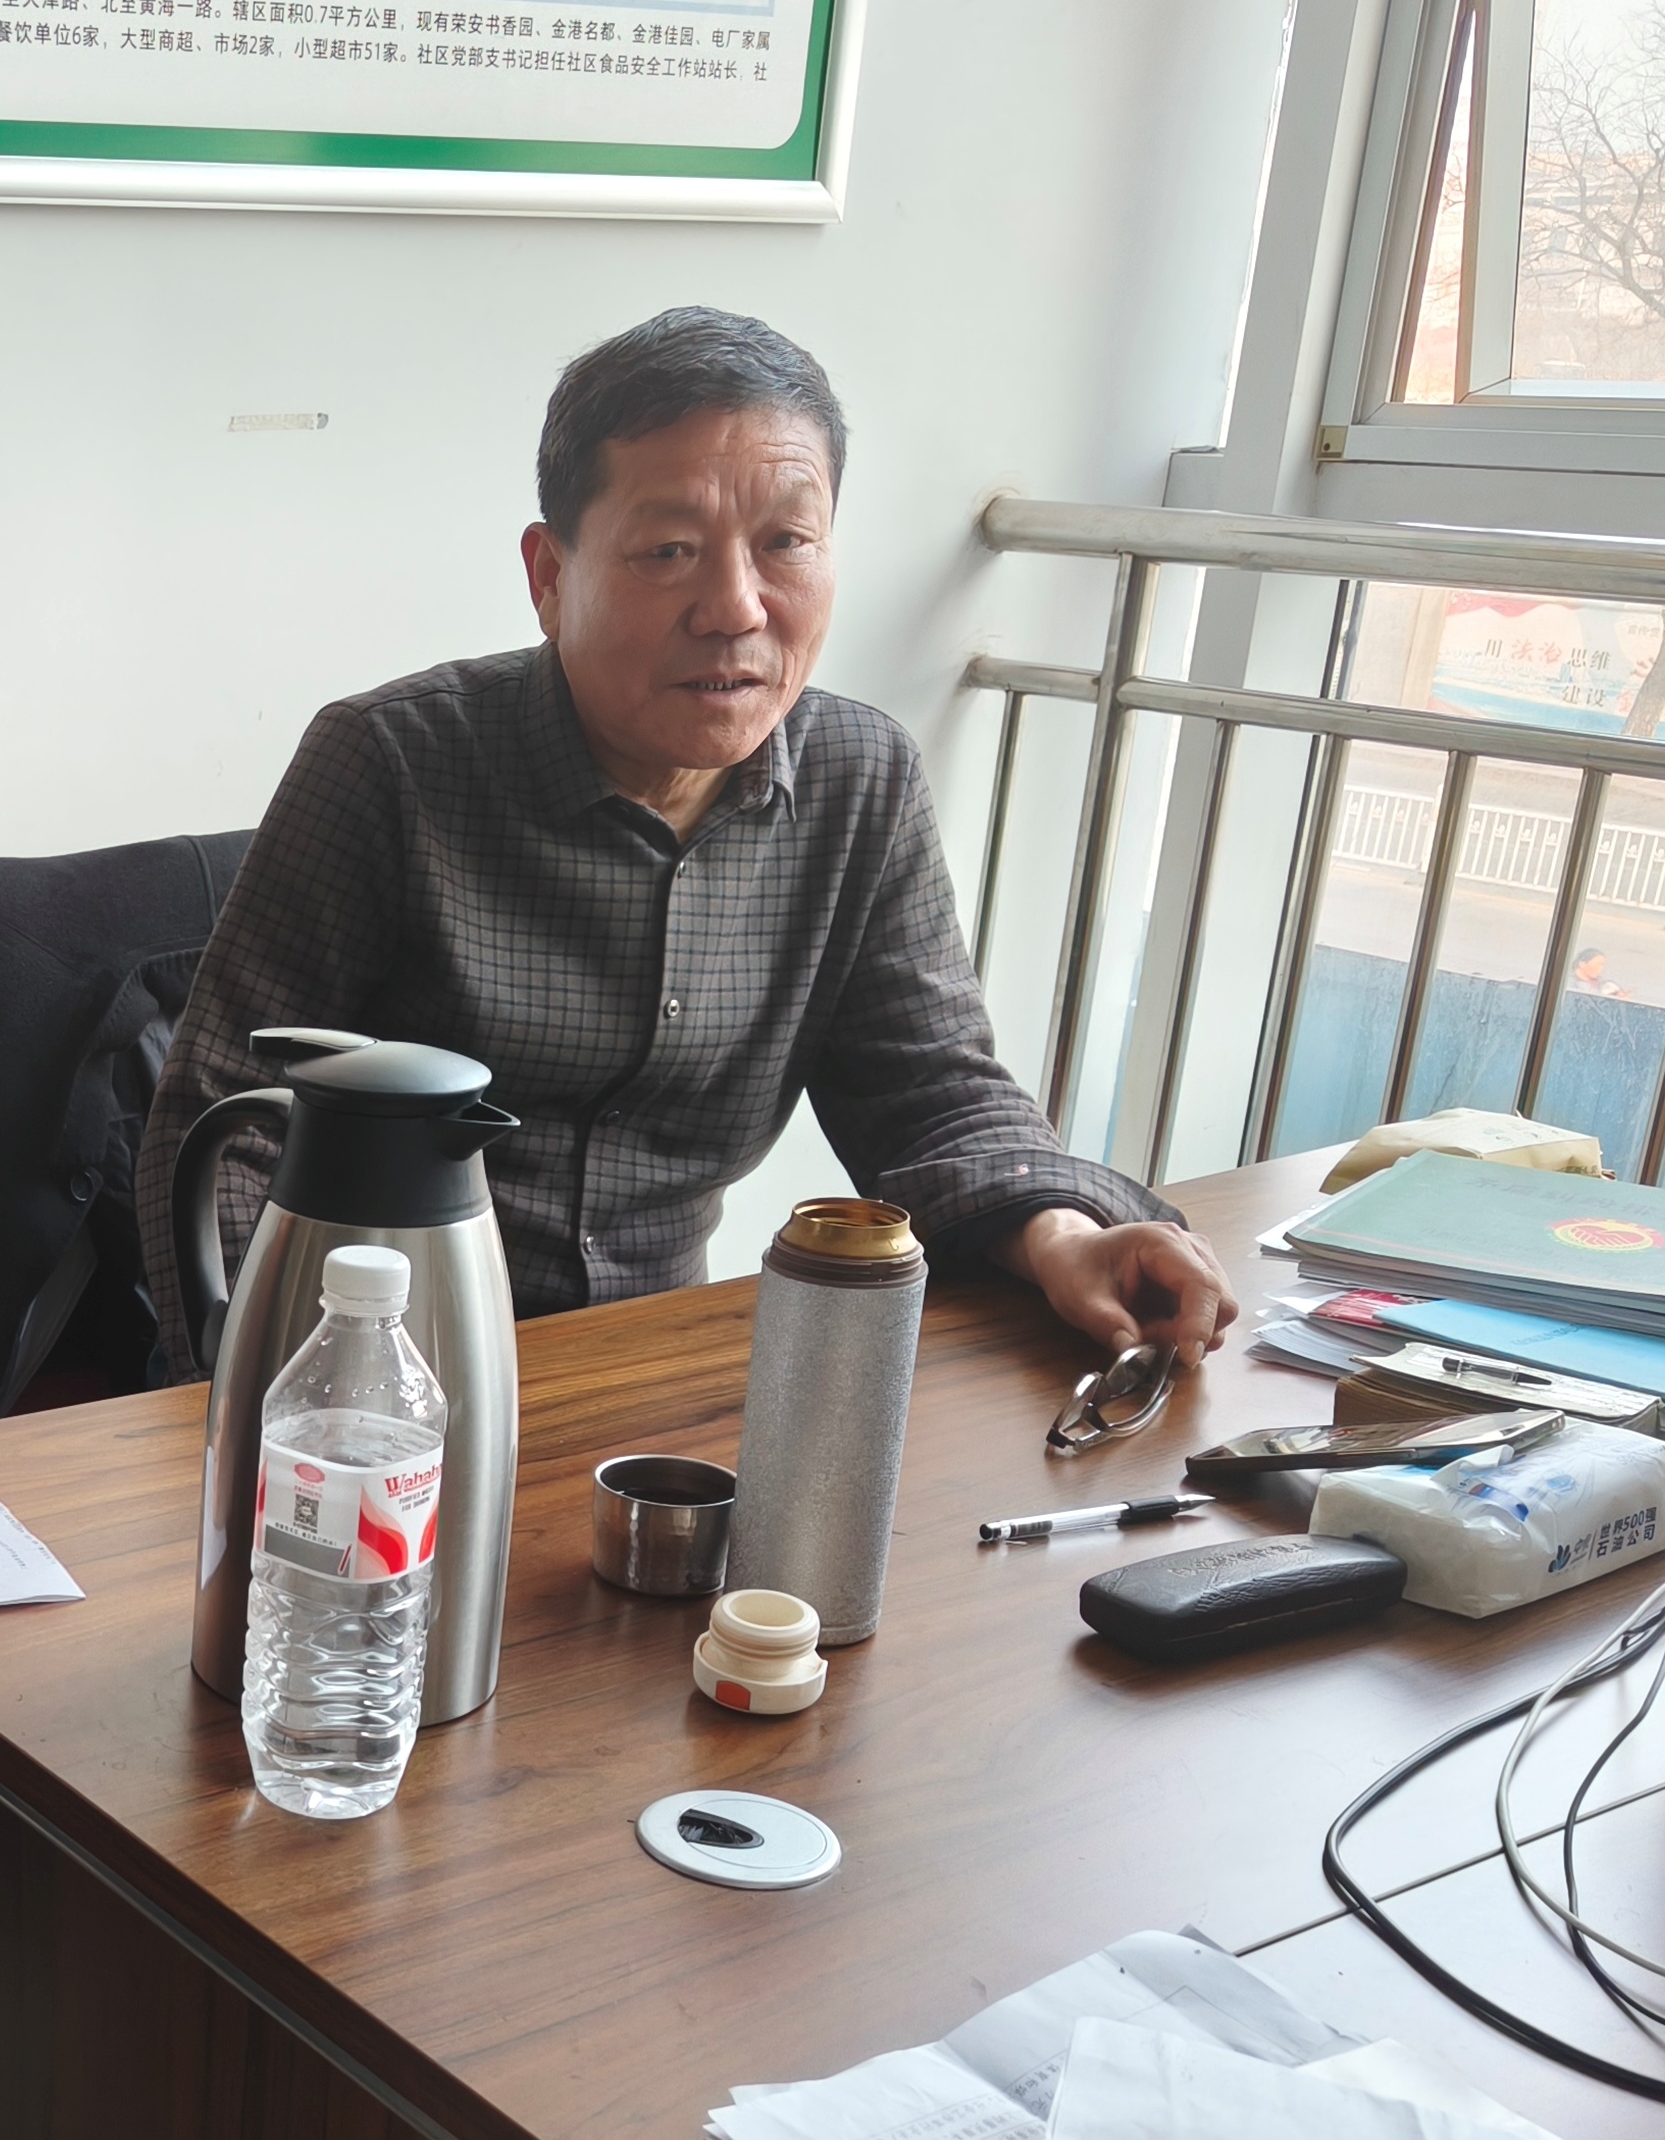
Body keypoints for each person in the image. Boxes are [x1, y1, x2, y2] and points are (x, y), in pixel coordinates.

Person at [141, 306, 1239, 1384]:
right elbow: (223, 1121)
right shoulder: (389, 761)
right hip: (375, 1368)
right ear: (548, 576)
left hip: (660, 1370)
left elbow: (931, 1089)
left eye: (786, 544)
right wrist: (285, 1392)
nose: (734, 608)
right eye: (668, 551)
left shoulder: (860, 780)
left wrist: (1063, 1234)